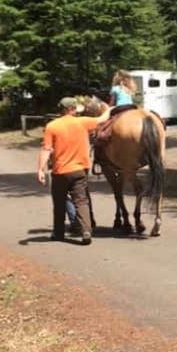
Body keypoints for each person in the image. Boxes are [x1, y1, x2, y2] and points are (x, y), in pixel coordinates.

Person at [37, 96, 111, 244]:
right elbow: (103, 118)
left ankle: (58, 234)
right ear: (72, 109)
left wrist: (40, 169)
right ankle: (86, 232)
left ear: (61, 109)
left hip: (60, 172)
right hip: (79, 171)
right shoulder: (82, 122)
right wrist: (108, 107)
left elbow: (46, 149)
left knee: (59, 203)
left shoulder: (52, 126)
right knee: (81, 201)